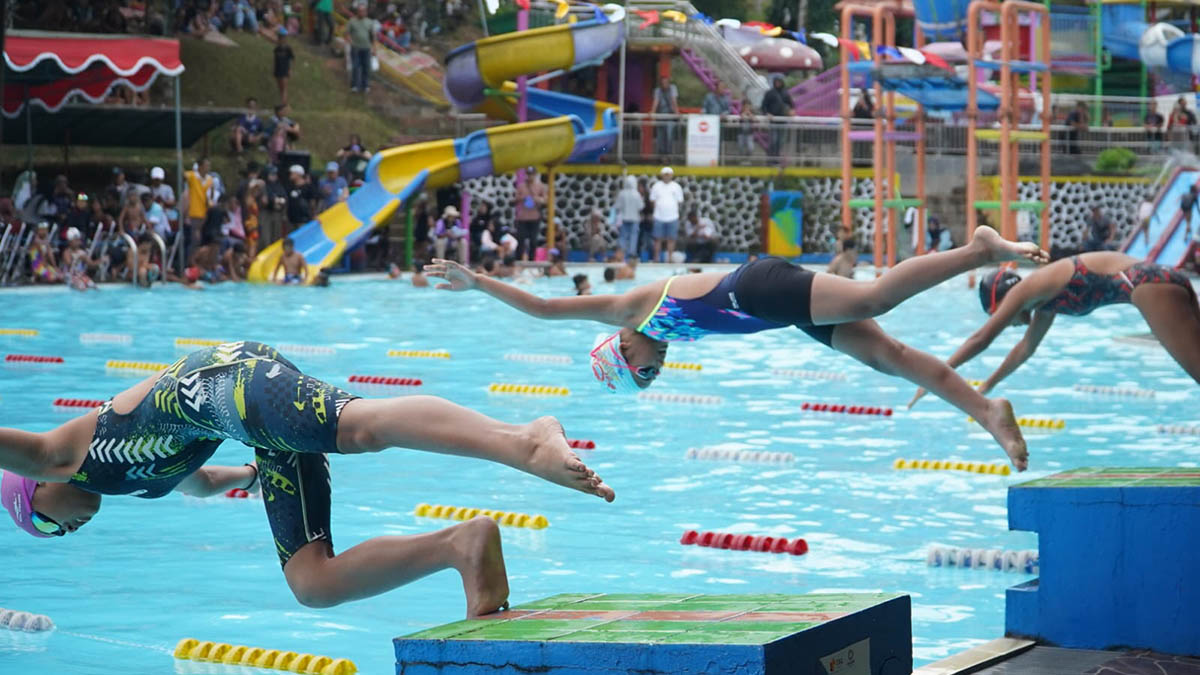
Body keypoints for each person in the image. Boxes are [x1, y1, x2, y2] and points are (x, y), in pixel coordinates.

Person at [0, 341, 611, 617]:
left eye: (48, 527)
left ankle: (523, 438)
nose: (65, 531)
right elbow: (203, 483)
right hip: (248, 430)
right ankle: (462, 547)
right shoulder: (126, 482)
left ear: (36, 490)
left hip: (222, 381)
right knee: (311, 583)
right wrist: (247, 477)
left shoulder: (57, 455)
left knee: (359, 429)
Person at [428, 226, 1050, 470]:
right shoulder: (660, 332)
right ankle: (987, 411)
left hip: (756, 288)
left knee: (872, 299)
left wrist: (476, 281)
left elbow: (542, 307)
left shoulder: (630, 309)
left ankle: (978, 250)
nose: (653, 376)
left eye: (640, 376)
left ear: (622, 352)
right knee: (892, 357)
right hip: (775, 311)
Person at [910, 252, 1200, 410]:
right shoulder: (1046, 303)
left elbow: (981, 338)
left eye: (1001, 316)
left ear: (999, 303)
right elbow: (1025, 349)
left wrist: (936, 375)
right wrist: (988, 385)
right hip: (1160, 281)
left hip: (1148, 287)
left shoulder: (1025, 290)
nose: (1010, 323)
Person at [649, 167, 684, 263]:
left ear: (671, 175)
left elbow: (680, 201)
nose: (667, 176)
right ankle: (656, 259)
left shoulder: (676, 187)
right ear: (662, 175)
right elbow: (652, 200)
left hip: (673, 217)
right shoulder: (656, 186)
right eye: (665, 174)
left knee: (671, 239)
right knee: (657, 239)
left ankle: (669, 259)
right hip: (658, 217)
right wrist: (658, 210)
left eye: (668, 174)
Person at [513, 169, 547, 261]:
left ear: (535, 175)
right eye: (528, 174)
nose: (530, 176)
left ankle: (532, 259)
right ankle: (518, 259)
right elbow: (514, 200)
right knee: (520, 239)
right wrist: (522, 198)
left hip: (534, 217)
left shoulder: (540, 186)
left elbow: (545, 200)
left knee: (533, 240)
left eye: (532, 174)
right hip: (522, 218)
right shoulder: (521, 186)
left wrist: (537, 199)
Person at [760, 74, 793, 158]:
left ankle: (776, 157)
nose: (778, 83)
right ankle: (771, 157)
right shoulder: (769, 93)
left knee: (781, 141)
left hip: (783, 121)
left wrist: (791, 111)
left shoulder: (785, 93)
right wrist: (767, 113)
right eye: (776, 82)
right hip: (773, 121)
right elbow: (763, 106)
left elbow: (792, 105)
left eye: (779, 82)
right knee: (773, 140)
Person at [346, 3, 376, 93]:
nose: (362, 13)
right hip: (356, 48)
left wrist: (374, 48)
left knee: (366, 67)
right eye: (360, 11)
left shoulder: (370, 22)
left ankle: (365, 85)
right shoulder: (352, 21)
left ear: (366, 12)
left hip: (366, 48)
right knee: (355, 66)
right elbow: (347, 33)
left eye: (363, 11)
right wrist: (350, 41)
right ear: (357, 12)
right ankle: (355, 85)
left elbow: (373, 36)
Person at [615, 175, 644, 261]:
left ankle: (621, 255)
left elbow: (617, 206)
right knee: (633, 237)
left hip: (624, 219)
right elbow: (641, 207)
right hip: (635, 219)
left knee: (623, 237)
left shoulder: (622, 193)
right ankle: (631, 255)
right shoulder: (637, 194)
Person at [651, 75, 679, 157]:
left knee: (669, 135)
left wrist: (676, 111)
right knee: (660, 137)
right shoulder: (657, 91)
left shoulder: (672, 88)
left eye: (666, 82)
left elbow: (674, 100)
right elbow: (656, 101)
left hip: (670, 115)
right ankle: (661, 155)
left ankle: (668, 154)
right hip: (660, 116)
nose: (664, 84)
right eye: (663, 83)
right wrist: (653, 112)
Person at [285, 165, 317, 233]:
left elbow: (312, 202)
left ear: (298, 174)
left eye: (292, 173)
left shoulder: (308, 187)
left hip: (303, 220)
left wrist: (314, 215)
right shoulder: (290, 187)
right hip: (291, 220)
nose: (290, 175)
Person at [274, 28, 295, 105]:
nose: (281, 39)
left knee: (284, 88)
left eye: (282, 37)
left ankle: (284, 103)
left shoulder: (288, 48)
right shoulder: (277, 49)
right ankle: (283, 102)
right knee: (280, 88)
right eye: (280, 37)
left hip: (285, 69)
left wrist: (290, 69)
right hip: (277, 69)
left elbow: (291, 59)